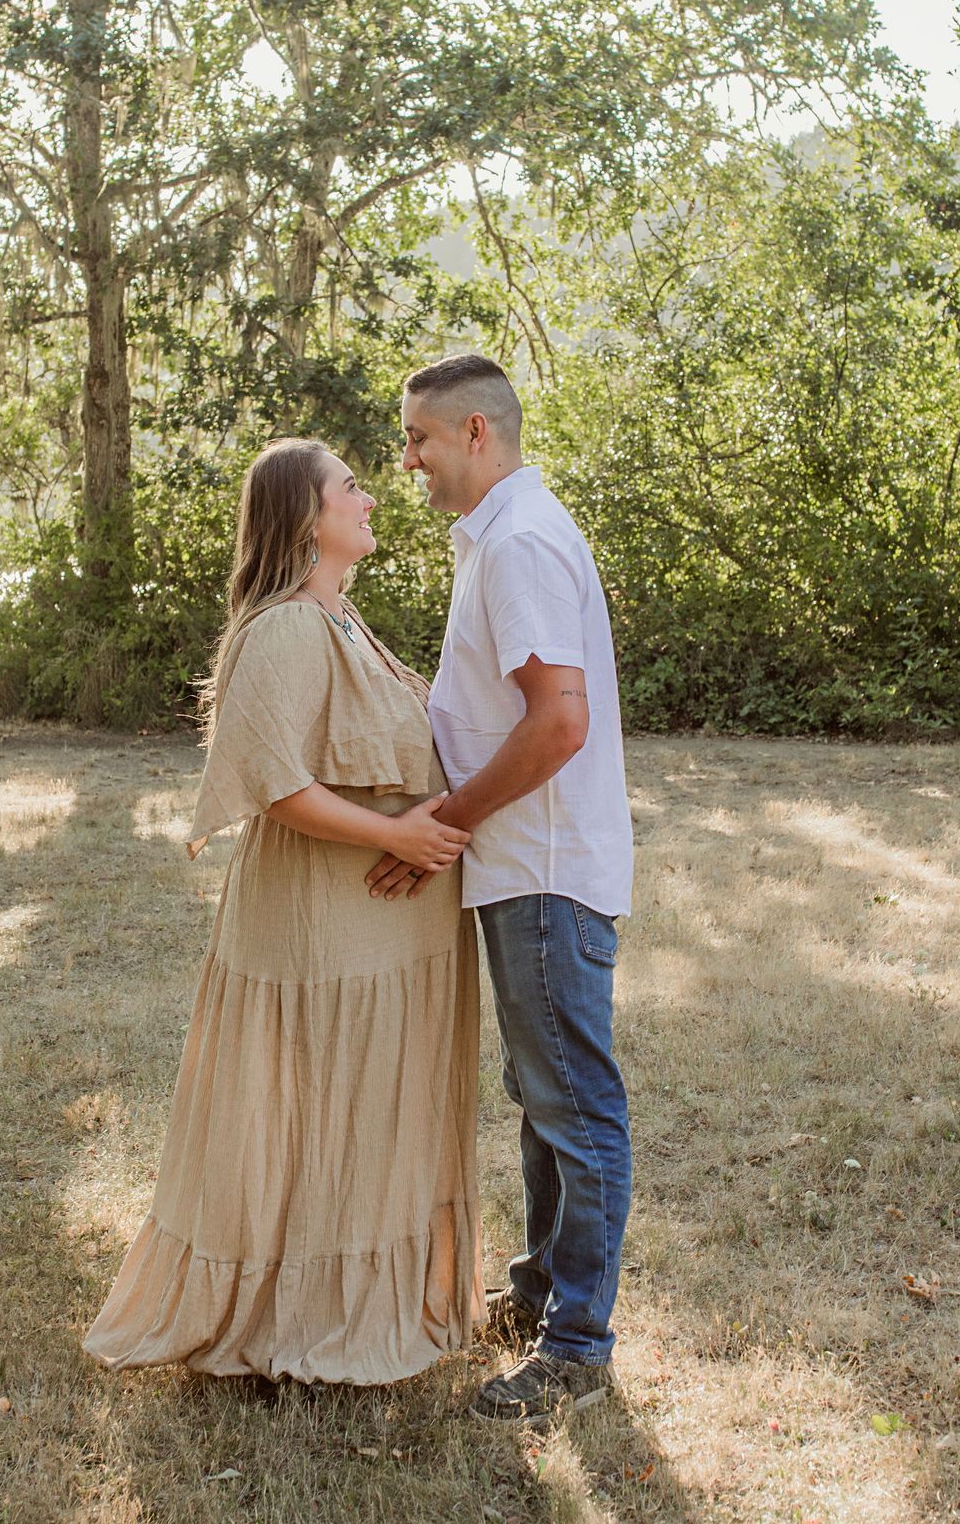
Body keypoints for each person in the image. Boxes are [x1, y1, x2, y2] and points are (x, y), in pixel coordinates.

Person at [83, 437, 484, 1385]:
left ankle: (372, 1300)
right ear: (307, 515)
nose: (370, 498)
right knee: (321, 1104)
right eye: (351, 487)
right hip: (324, 919)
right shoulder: (288, 629)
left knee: (369, 1106)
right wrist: (395, 837)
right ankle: (302, 1312)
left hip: (385, 925)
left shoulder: (344, 621)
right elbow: (277, 783)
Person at [367, 352, 635, 1424]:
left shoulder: (519, 540)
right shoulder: (499, 535)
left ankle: (577, 1346)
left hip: (544, 868)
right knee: (542, 1096)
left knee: (575, 1103)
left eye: (419, 438)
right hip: (523, 867)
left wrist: (451, 817)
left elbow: (559, 721)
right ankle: (535, 1293)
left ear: (476, 432)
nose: (409, 460)